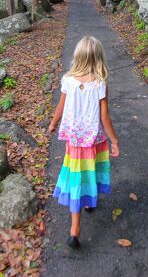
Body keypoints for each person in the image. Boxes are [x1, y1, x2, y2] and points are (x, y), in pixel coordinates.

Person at [48, 36, 119, 249]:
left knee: (77, 175)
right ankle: (78, 222)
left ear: (77, 56)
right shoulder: (100, 84)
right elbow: (104, 117)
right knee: (89, 171)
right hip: (94, 139)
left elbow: (60, 106)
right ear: (98, 58)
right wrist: (114, 141)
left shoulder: (68, 80)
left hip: (74, 141)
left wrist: (53, 123)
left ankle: (77, 225)